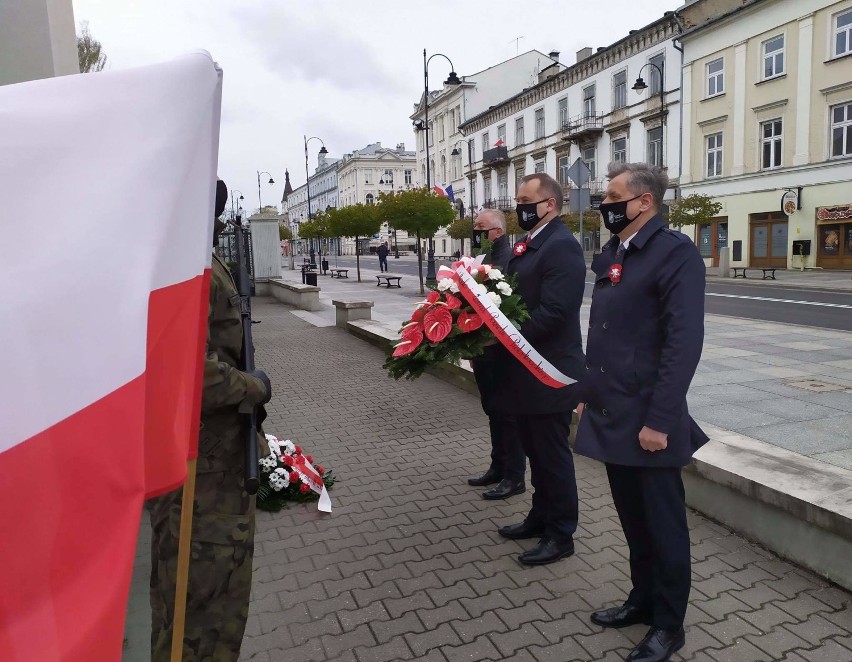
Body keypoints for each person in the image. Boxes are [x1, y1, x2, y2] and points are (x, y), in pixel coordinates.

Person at [574, 162, 708, 662]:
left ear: (644, 202)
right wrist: (589, 387)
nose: (604, 203)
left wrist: (660, 420)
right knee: (633, 519)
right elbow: (605, 334)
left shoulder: (674, 254)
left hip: (650, 417)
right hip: (613, 409)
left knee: (663, 525)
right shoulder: (616, 253)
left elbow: (683, 344)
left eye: (612, 196)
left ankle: (669, 624)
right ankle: (642, 599)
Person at [148, 179, 273, 662]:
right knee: (200, 609)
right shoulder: (183, 266)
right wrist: (254, 386)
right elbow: (189, 372)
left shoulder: (192, 254)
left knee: (208, 603)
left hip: (212, 459)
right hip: (202, 473)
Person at [493, 173, 586, 565]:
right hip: (526, 371)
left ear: (549, 204)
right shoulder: (530, 244)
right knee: (534, 452)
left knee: (552, 457)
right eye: (517, 201)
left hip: (549, 371)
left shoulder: (562, 246)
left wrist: (500, 333)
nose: (520, 208)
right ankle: (539, 516)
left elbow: (554, 313)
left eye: (525, 200)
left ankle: (561, 533)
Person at [467, 209, 526, 500]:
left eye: (482, 227)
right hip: (483, 350)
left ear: (498, 232)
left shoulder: (510, 259)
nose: (476, 231)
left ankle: (515, 476)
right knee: (492, 409)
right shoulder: (480, 257)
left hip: (503, 352)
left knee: (508, 414)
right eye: (474, 226)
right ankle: (498, 466)